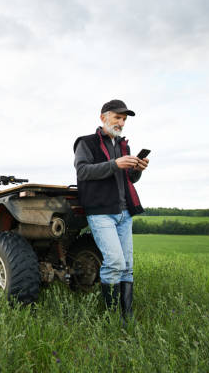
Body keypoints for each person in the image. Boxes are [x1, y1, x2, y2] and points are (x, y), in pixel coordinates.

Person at [73, 99, 149, 322]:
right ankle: (111, 317)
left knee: (127, 266)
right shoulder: (85, 143)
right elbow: (83, 171)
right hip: (100, 211)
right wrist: (116, 164)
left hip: (125, 211)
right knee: (114, 262)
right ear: (103, 117)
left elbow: (130, 178)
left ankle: (126, 317)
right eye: (117, 117)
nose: (121, 122)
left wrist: (138, 169)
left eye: (124, 119)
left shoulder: (123, 145)